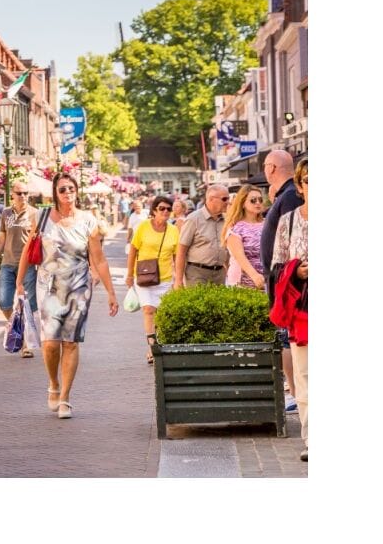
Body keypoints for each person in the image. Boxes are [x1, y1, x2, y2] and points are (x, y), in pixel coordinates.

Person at [16, 172, 118, 419]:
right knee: (50, 343)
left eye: (71, 188)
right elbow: (28, 251)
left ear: (76, 191)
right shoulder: (41, 217)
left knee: (71, 342)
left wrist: (111, 292)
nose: (67, 193)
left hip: (78, 286)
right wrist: (19, 282)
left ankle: (65, 399)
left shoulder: (88, 221)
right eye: (62, 189)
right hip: (48, 285)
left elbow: (99, 259)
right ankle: (53, 384)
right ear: (55, 193)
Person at [259, 148, 303, 412]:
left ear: (272, 168)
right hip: (280, 277)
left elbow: (292, 239)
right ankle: (297, 391)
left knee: (287, 336)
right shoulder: (284, 195)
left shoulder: (288, 197)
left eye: (266, 165)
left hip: (287, 280)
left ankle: (297, 392)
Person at [270, 159, 308, 461]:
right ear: (299, 185)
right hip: (302, 308)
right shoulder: (290, 220)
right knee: (305, 375)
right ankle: (312, 439)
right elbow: (277, 267)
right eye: (308, 179)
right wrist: (296, 272)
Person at [126, 195, 179, 364]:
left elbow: (177, 255)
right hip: (144, 277)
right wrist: (128, 274)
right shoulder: (143, 227)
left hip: (165, 278)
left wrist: (179, 277)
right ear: (154, 210)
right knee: (148, 310)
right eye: (161, 208)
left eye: (168, 209)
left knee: (162, 314)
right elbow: (133, 250)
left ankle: (160, 343)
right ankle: (151, 347)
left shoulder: (173, 230)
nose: (165, 212)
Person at [0, 181, 39, 358]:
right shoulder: (6, 213)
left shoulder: (35, 213)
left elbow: (39, 240)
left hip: (27, 265)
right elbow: (2, 239)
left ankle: (25, 343)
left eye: (26, 193)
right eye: (19, 193)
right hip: (8, 264)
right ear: (12, 194)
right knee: (4, 303)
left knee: (27, 305)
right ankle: (15, 327)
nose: (23, 196)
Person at [174, 185, 230, 287]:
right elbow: (181, 251)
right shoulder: (193, 219)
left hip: (220, 273)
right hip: (197, 273)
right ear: (211, 199)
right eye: (224, 199)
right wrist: (178, 280)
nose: (228, 202)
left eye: (228, 198)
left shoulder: (226, 219)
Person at [223, 185, 267, 289]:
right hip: (242, 284)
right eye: (253, 200)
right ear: (243, 203)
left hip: (267, 281)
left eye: (260, 200)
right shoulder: (236, 227)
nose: (257, 203)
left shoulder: (268, 224)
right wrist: (255, 276)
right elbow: (240, 257)